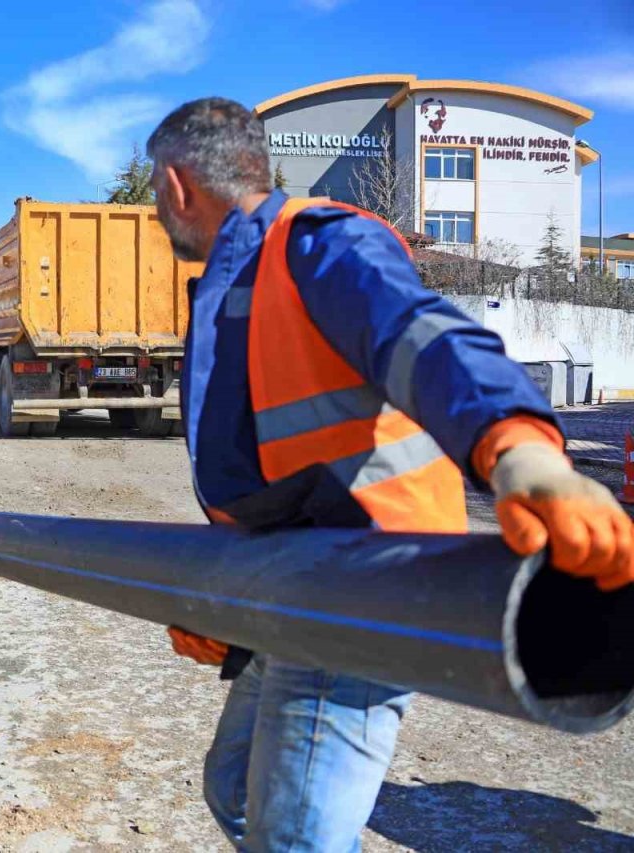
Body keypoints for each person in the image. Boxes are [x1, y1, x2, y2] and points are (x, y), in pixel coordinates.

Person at [146, 97, 634, 851]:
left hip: (366, 589)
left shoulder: (317, 245)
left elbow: (424, 335)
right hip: (293, 578)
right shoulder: (234, 280)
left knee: (291, 841)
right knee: (234, 786)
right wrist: (225, 595)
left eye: (154, 193)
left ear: (177, 186)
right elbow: (264, 465)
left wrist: (523, 450)